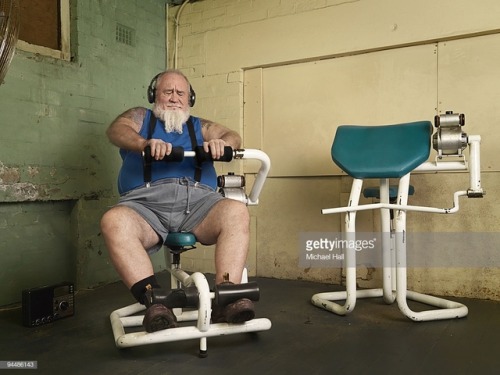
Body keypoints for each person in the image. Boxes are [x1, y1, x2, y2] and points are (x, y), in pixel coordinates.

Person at [100, 69, 254, 332]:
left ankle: (227, 295)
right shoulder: (140, 118)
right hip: (144, 206)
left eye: (180, 93)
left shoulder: (199, 125)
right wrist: (144, 143)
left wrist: (221, 143)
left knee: (236, 211)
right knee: (113, 220)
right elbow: (116, 130)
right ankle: (155, 303)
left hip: (199, 204)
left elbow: (232, 136)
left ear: (189, 98)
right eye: (167, 92)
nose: (174, 98)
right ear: (154, 95)